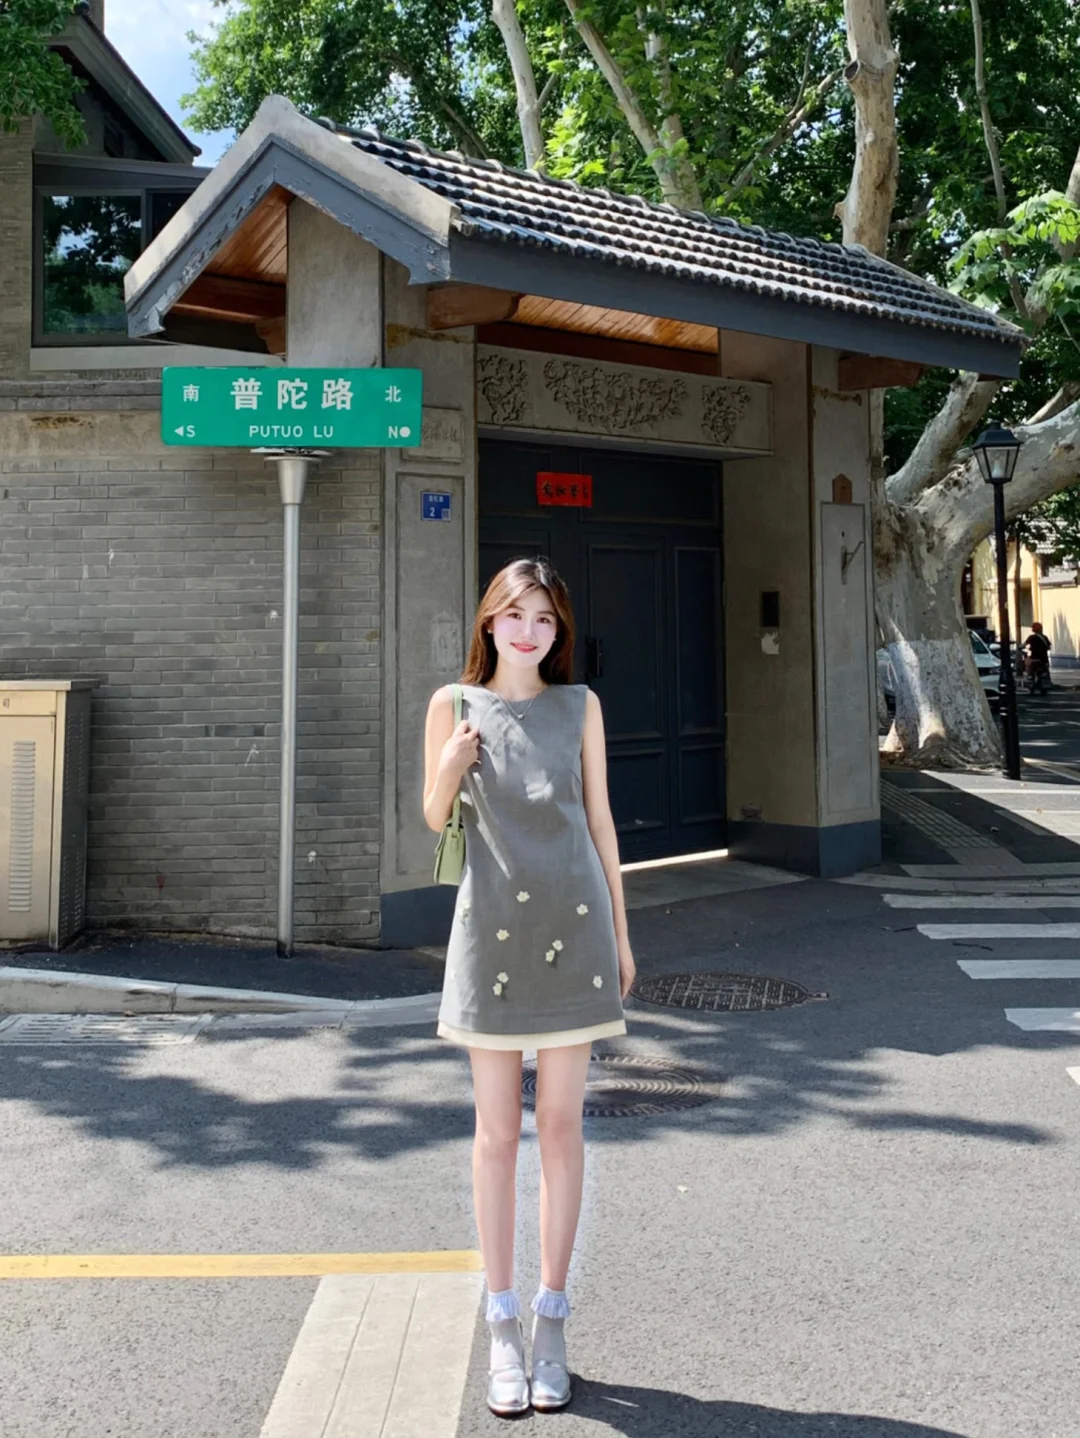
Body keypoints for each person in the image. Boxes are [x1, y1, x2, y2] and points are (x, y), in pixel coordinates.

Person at [422, 556, 636, 1418]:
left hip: (575, 929)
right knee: (495, 1135)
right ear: (490, 620)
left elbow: (601, 821)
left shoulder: (581, 707)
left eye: (545, 620)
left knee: (560, 1126)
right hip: (490, 938)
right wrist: (451, 762)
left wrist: (623, 932)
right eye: (515, 615)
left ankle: (552, 1319)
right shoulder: (452, 704)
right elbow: (432, 816)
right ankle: (501, 1322)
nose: (528, 632)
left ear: (559, 632)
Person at [1023, 622, 1052, 694]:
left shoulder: (1031, 637)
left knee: (1029, 667)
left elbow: (1024, 645)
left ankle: (1030, 679)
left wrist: (1020, 647)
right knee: (1044, 672)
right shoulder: (1045, 637)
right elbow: (1048, 647)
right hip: (1044, 659)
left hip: (1034, 659)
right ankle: (1044, 686)